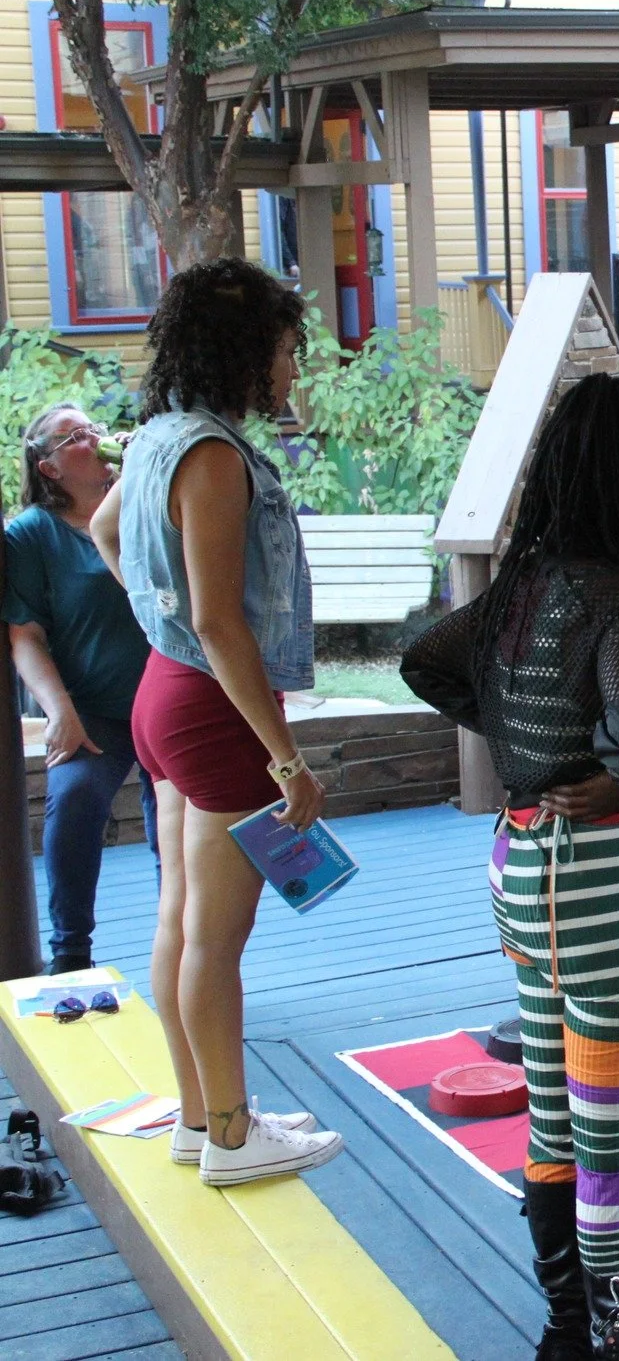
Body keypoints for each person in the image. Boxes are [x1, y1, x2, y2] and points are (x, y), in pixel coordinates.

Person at [403, 373, 619, 1361]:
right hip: (606, 888)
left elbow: (425, 662)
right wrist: (596, 773)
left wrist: (527, 752)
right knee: (616, 1152)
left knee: (561, 1130)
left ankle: (568, 1334)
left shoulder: (520, 588)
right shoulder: (616, 598)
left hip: (529, 878)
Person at [89, 258, 340, 1189]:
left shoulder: (160, 435)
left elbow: (107, 533)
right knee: (214, 941)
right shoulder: (215, 457)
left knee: (179, 918)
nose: (289, 371)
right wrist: (288, 761)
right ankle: (234, 1135)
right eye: (284, 350)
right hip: (215, 710)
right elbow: (219, 619)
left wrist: (150, 612)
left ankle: (202, 1119)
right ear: (246, 351)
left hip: (163, 695)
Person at [7, 404, 157, 973]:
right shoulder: (31, 535)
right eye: (75, 437)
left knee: (177, 822)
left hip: (165, 696)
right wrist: (59, 712)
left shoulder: (142, 504)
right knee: (72, 800)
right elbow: (25, 636)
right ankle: (71, 952)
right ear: (48, 468)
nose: (94, 439)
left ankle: (191, 945)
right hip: (92, 708)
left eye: (94, 428)